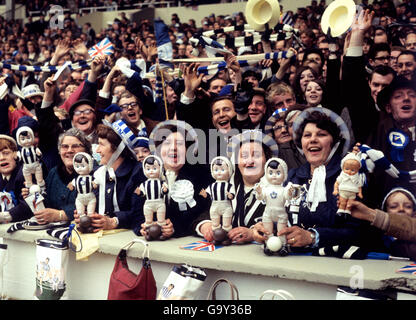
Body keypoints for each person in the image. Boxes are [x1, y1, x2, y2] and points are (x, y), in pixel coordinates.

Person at [254, 107, 382, 251]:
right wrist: (263, 227)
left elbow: (362, 232)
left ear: (334, 142)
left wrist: (313, 237)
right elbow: (283, 217)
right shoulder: (292, 177)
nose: (313, 140)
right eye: (307, 135)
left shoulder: (351, 178)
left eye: (321, 134)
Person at [194, 130, 279, 244]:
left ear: (267, 161)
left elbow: (281, 224)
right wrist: (205, 226)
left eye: (256, 155)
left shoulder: (276, 191)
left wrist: (252, 233)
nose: (249, 161)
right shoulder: (225, 186)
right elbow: (203, 214)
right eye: (243, 156)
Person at [137, 120, 211, 239]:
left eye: (180, 144)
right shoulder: (141, 174)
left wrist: (173, 228)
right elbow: (135, 212)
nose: (174, 148)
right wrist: (143, 227)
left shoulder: (200, 176)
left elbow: (199, 213)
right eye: (167, 143)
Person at [74, 120, 146, 232]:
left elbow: (140, 213)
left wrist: (114, 221)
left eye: (101, 144)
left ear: (118, 148)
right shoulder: (98, 173)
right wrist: (86, 213)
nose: (97, 150)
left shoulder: (138, 172)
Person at [22, 128, 92, 224]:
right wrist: (34, 196)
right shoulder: (53, 173)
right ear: (59, 151)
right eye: (64, 146)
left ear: (86, 150)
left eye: (75, 146)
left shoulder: (95, 173)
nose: (69, 150)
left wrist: (61, 214)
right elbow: (48, 203)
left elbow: (96, 202)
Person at [348, 188, 416, 260]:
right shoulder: (375, 239)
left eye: (408, 206)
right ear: (384, 211)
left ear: (414, 213)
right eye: (393, 206)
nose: (401, 209)